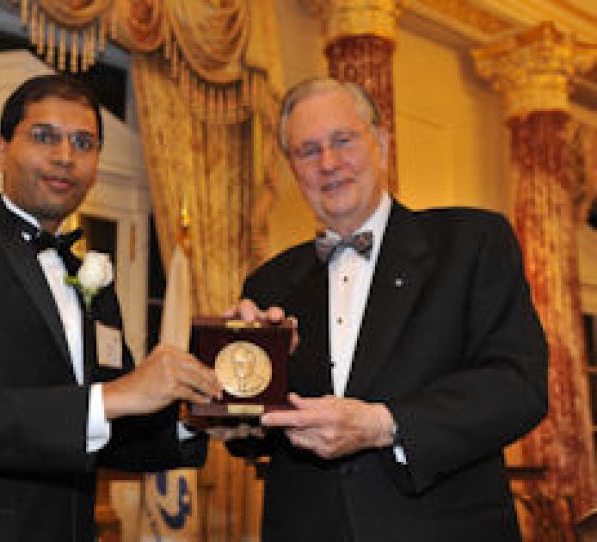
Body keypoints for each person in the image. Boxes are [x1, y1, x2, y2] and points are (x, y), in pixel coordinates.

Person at [0, 74, 221, 542]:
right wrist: (111, 397)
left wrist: (199, 420)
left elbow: (105, 430)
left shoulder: (95, 278)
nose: (65, 156)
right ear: (1, 150)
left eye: (84, 142)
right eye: (44, 137)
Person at [226, 77, 548, 542]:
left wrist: (384, 425)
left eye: (343, 140)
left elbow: (518, 387)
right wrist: (243, 385)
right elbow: (251, 436)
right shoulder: (269, 283)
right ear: (291, 168)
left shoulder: (472, 242)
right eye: (307, 151)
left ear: (381, 142)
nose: (329, 164)